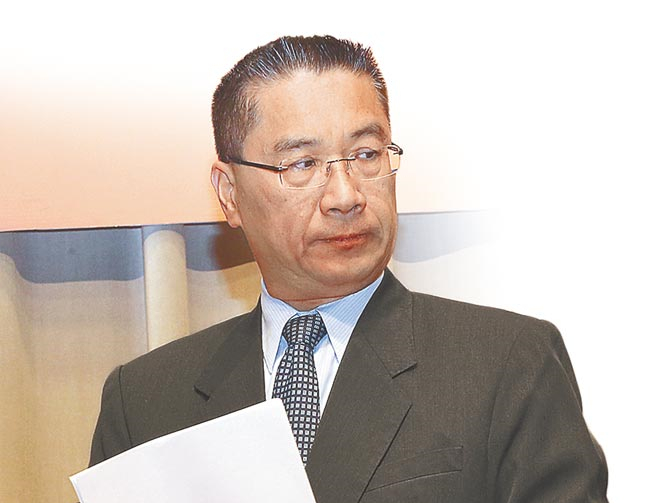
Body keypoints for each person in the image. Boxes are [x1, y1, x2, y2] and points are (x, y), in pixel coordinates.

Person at [89, 35, 609, 502]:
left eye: (366, 154)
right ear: (230, 194)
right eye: (302, 164)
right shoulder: (144, 400)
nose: (345, 195)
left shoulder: (507, 363)